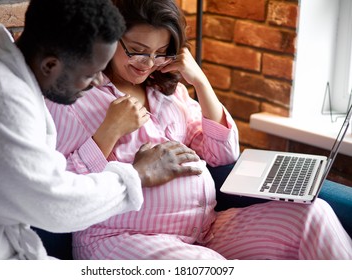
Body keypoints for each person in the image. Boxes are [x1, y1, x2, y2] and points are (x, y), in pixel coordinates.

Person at [46, 0, 352, 259]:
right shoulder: (72, 97)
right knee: (209, 266)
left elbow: (222, 154)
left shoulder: (167, 91)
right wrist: (108, 133)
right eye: (137, 50)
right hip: (120, 237)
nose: (148, 63)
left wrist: (201, 83)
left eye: (161, 52)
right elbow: (56, 189)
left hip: (205, 229)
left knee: (315, 216)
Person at [0, 0, 203, 260]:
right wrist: (136, 175)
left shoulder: (7, 75)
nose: (98, 82)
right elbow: (56, 206)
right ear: (50, 66)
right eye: (91, 73)